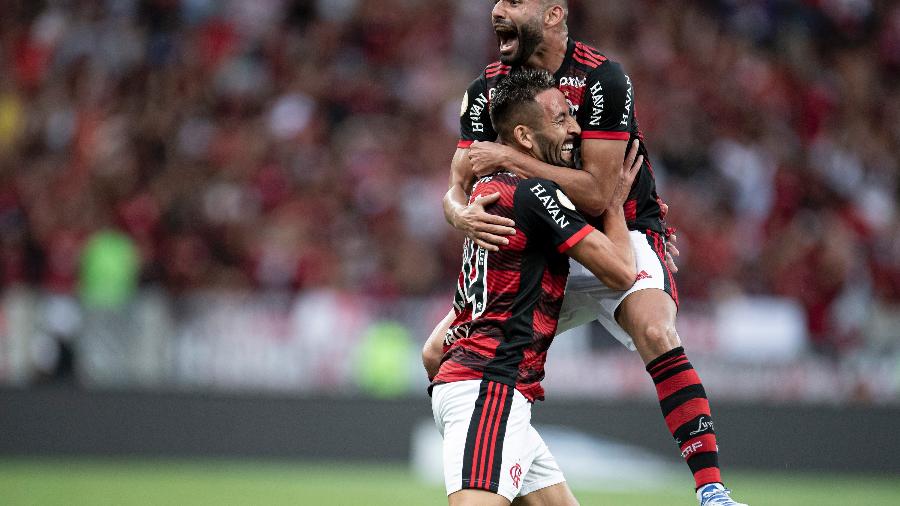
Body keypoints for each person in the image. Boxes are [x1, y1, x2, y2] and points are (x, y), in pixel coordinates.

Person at [431, 1, 748, 505]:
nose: (497, 10)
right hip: (546, 244)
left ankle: (711, 488)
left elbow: (601, 195)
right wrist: (458, 214)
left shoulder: (602, 79)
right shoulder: (488, 88)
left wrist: (512, 158)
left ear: (554, 13)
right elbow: (456, 183)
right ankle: (505, 449)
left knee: (653, 328)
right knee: (436, 352)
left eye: (514, 1)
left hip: (615, 229)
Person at [429, 68, 640, 506]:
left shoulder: (487, 190)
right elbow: (621, 271)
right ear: (524, 136)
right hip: (491, 388)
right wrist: (615, 204)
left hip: (491, 391)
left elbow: (432, 352)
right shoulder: (535, 195)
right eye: (562, 118)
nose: (576, 129)